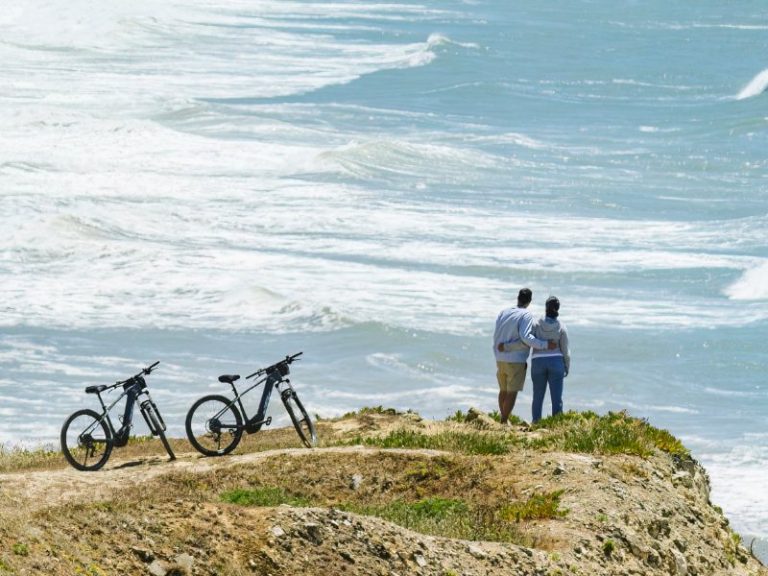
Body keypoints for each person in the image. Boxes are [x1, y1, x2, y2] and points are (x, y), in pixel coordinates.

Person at [493, 288, 555, 424]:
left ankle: (503, 420)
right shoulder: (526, 315)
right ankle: (503, 421)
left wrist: (500, 350)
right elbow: (526, 337)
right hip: (515, 359)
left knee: (503, 390)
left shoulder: (504, 312)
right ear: (530, 301)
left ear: (518, 298)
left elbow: (497, 334)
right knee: (512, 392)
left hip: (500, 357)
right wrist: (545, 344)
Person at [530, 296, 571, 423]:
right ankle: (556, 424)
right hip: (556, 362)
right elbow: (565, 351)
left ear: (546, 308)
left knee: (537, 396)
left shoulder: (536, 324)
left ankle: (536, 422)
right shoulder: (561, 327)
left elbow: (529, 340)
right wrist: (566, 366)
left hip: (537, 361)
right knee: (557, 398)